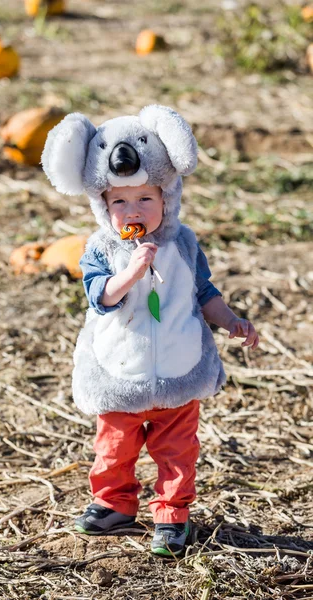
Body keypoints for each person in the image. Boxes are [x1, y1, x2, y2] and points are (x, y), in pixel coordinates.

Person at [41, 105, 259, 556]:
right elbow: (100, 297)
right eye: (119, 201)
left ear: (167, 197)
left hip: (178, 372)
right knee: (113, 448)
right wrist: (130, 273)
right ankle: (113, 503)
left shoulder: (182, 243)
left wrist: (231, 320)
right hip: (121, 371)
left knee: (178, 453)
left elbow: (204, 292)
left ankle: (171, 515)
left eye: (144, 198)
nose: (131, 209)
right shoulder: (100, 249)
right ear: (102, 205)